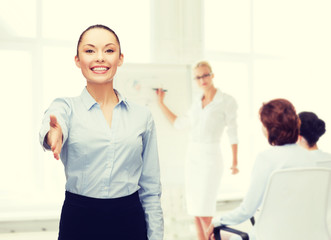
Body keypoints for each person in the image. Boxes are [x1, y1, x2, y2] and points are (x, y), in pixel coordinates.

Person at [39, 24, 163, 240]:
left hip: (129, 220)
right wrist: (53, 135)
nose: (100, 58)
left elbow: (151, 188)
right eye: (89, 51)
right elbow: (55, 123)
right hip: (79, 220)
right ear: (77, 60)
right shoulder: (66, 107)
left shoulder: (142, 116)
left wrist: (155, 236)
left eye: (109, 50)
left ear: (120, 58)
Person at [207, 98, 316, 240]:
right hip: (304, 234)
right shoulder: (310, 160)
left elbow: (247, 210)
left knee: (216, 234)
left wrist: (216, 221)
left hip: (270, 235)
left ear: (269, 128)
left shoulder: (266, 159)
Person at [156, 61, 239, 240]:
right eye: (198, 77)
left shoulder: (226, 101)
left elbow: (233, 132)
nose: (203, 79)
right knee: (195, 210)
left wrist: (235, 161)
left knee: (205, 210)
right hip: (193, 158)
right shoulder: (196, 102)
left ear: (212, 75)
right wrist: (161, 103)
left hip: (210, 158)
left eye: (205, 75)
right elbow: (179, 123)